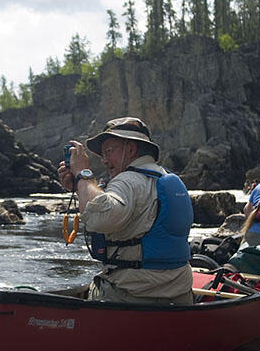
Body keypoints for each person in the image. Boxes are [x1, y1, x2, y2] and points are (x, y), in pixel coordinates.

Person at [57, 117, 194, 304]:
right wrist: (80, 187)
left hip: (133, 295)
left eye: (109, 151)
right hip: (179, 293)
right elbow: (129, 204)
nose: (104, 160)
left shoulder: (128, 181)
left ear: (130, 150)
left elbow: (100, 216)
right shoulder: (166, 177)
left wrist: (83, 174)